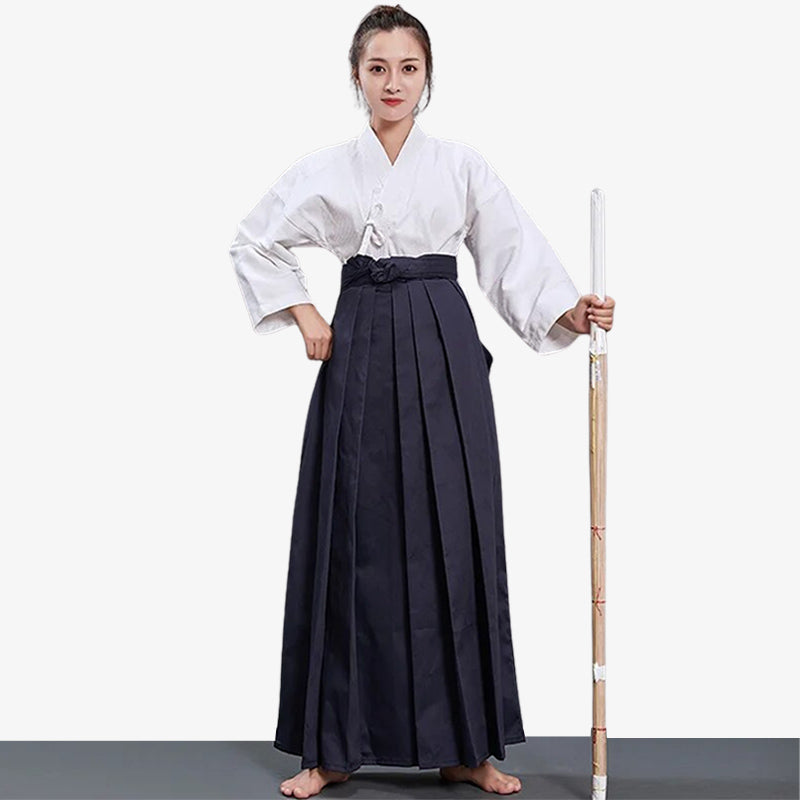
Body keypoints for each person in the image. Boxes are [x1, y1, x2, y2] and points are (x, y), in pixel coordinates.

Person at [229, 6, 615, 798]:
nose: (394, 83)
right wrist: (305, 312)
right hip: (361, 341)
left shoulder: (461, 166)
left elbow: (511, 252)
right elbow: (253, 239)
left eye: (408, 68)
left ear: (427, 76)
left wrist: (569, 312)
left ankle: (464, 744)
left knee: (456, 532)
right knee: (352, 535)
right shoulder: (328, 169)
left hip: (443, 347)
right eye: (378, 68)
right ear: (356, 77)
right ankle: (333, 745)